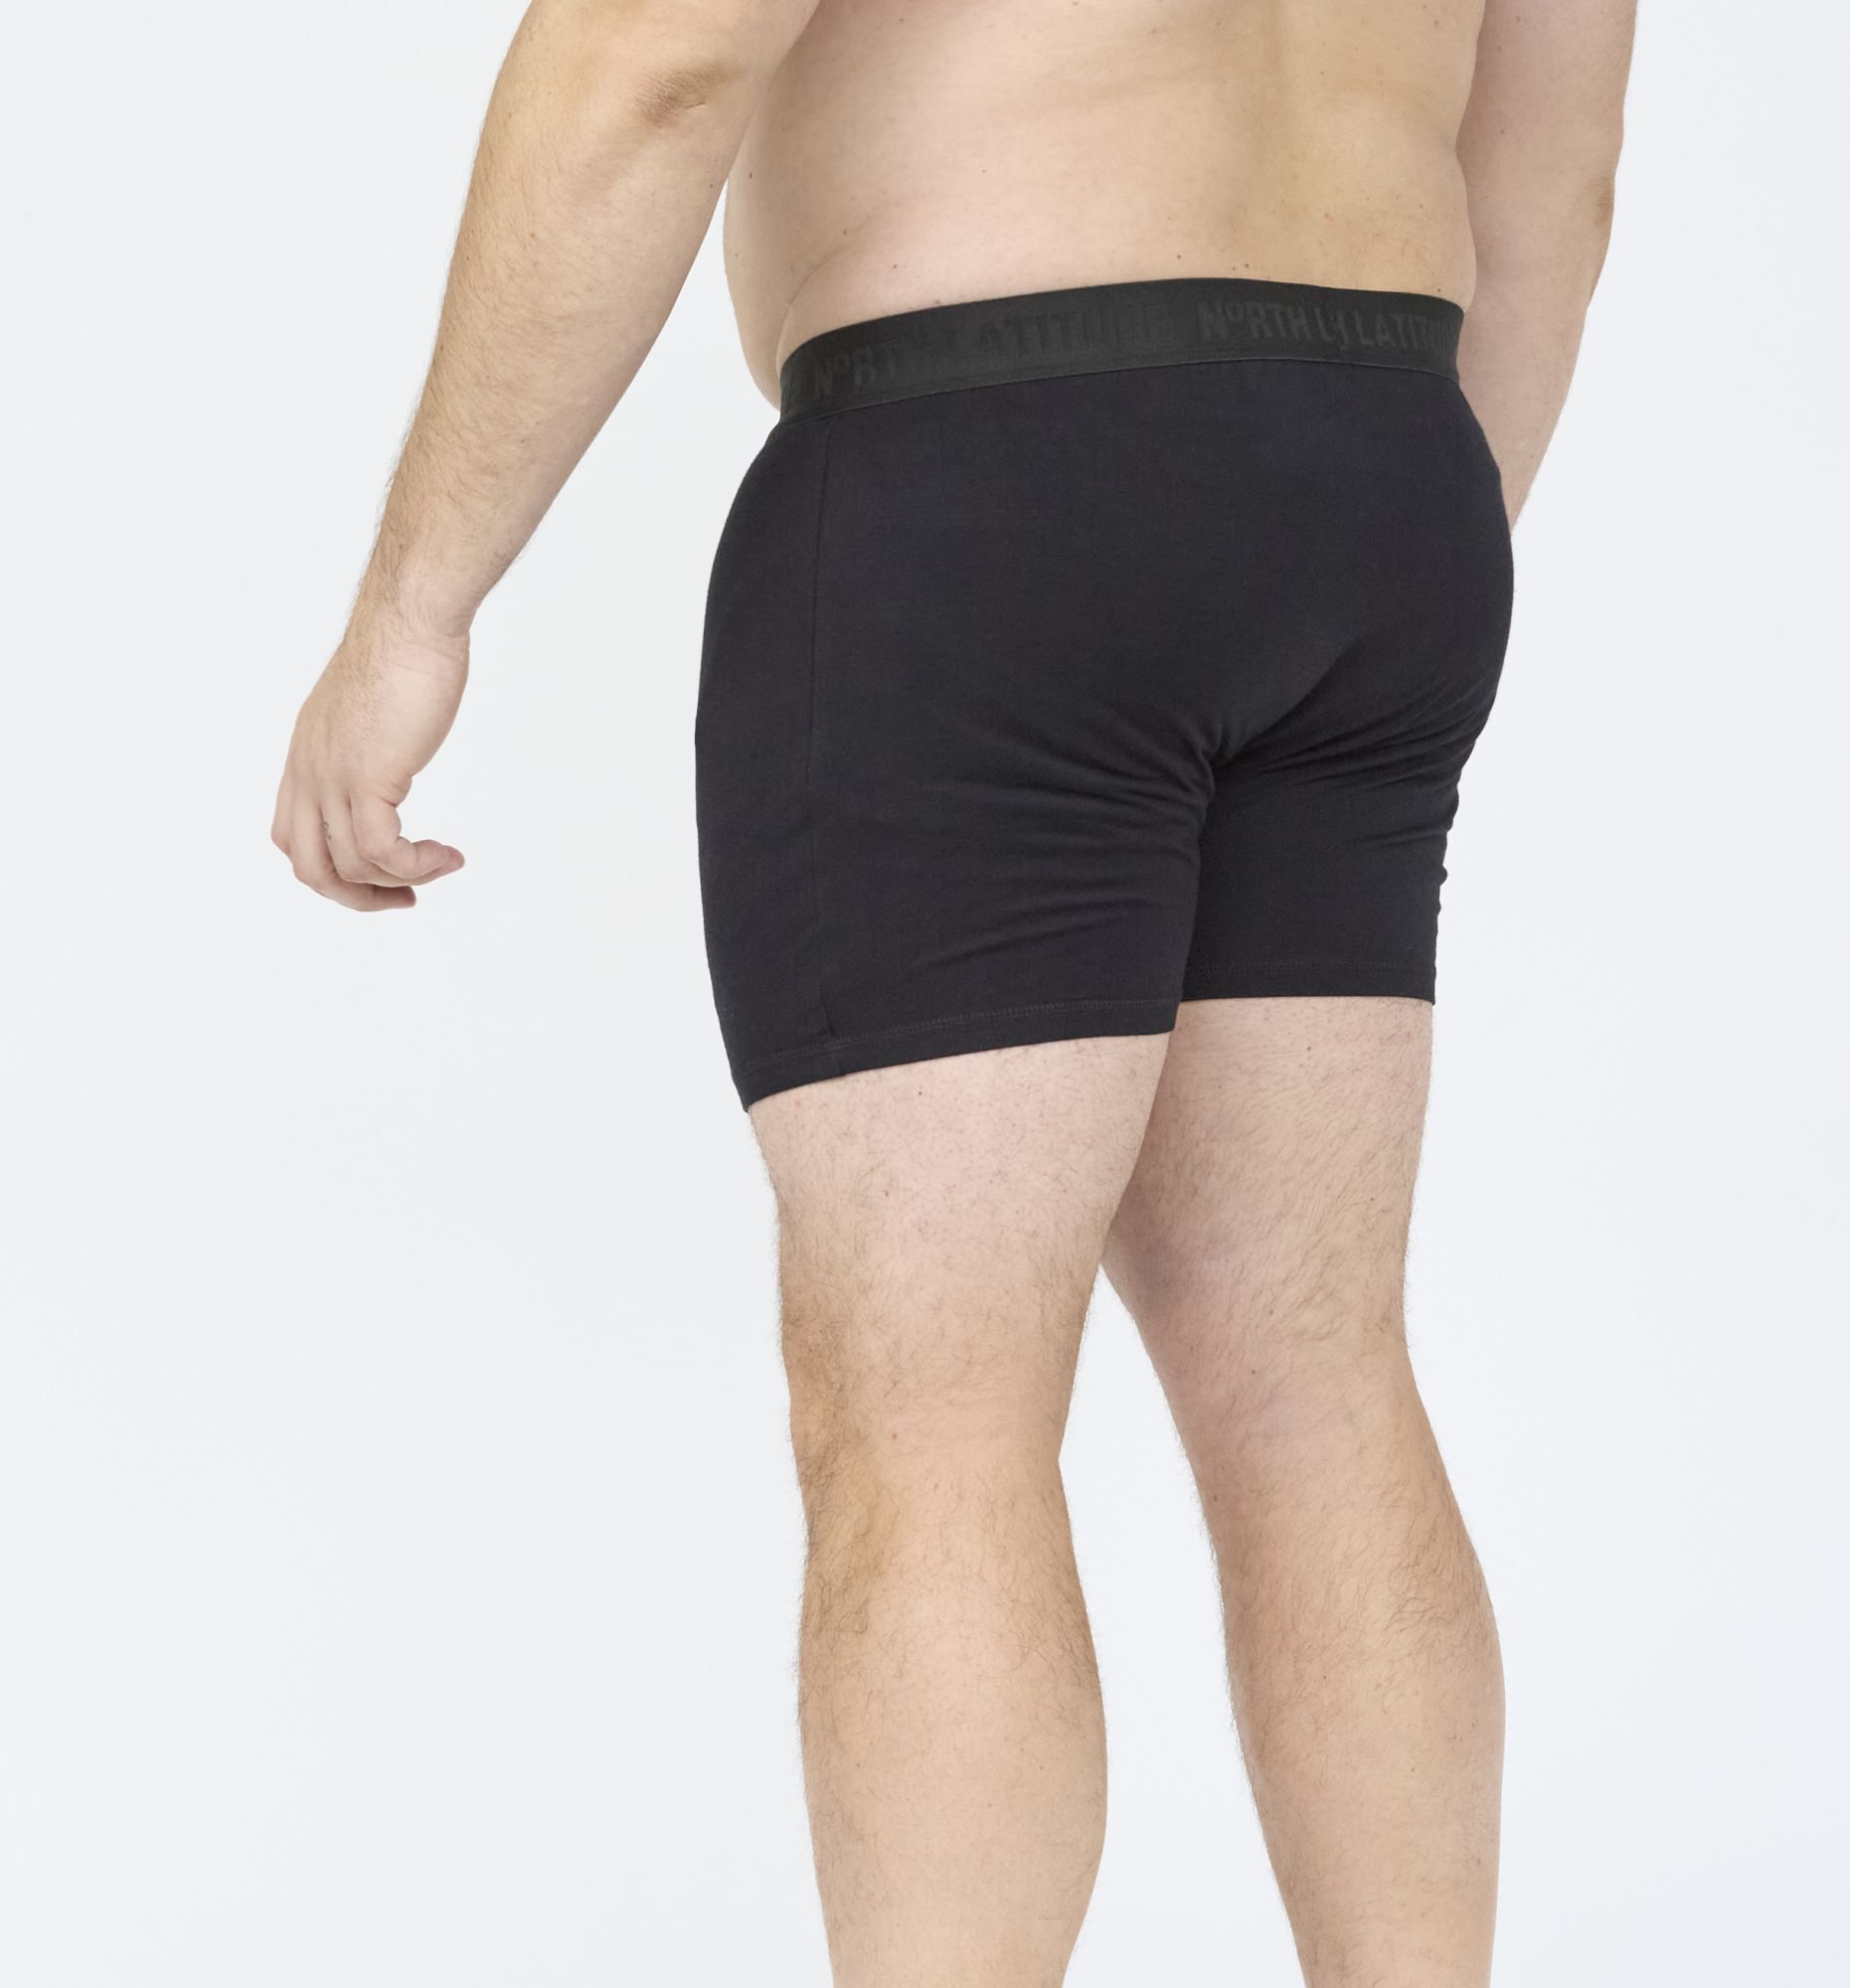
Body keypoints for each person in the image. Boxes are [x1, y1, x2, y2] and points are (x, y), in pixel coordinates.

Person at [271, 2, 1634, 1979]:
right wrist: (1340, 538)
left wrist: (415, 605)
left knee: (931, 1421)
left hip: (997, 472)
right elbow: (1553, 177)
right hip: (1382, 468)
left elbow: (651, 64)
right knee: (1313, 1377)